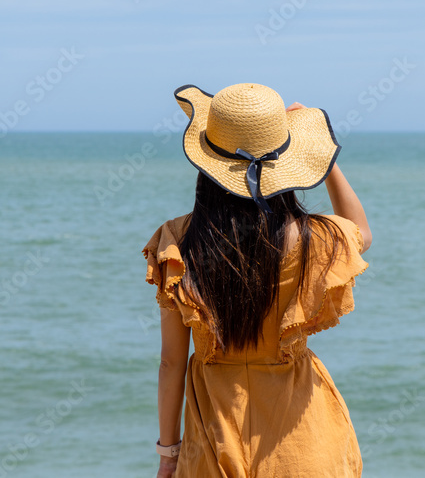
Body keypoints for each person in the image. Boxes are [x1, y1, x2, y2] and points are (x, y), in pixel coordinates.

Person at [142, 82, 373, 477]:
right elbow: (360, 233)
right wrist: (325, 157)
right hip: (304, 438)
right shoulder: (313, 237)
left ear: (206, 165)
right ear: (288, 164)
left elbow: (171, 364)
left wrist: (169, 454)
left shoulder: (178, 243)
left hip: (216, 436)